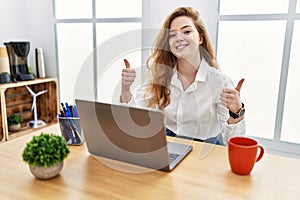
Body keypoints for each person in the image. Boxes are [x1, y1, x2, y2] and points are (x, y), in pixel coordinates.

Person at [120, 7, 245, 145]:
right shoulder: (160, 77)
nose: (179, 38)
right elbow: (135, 119)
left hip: (205, 148)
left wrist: (236, 112)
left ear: (200, 38)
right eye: (172, 35)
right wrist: (126, 90)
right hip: (168, 145)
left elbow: (231, 143)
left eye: (186, 31)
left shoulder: (219, 82)